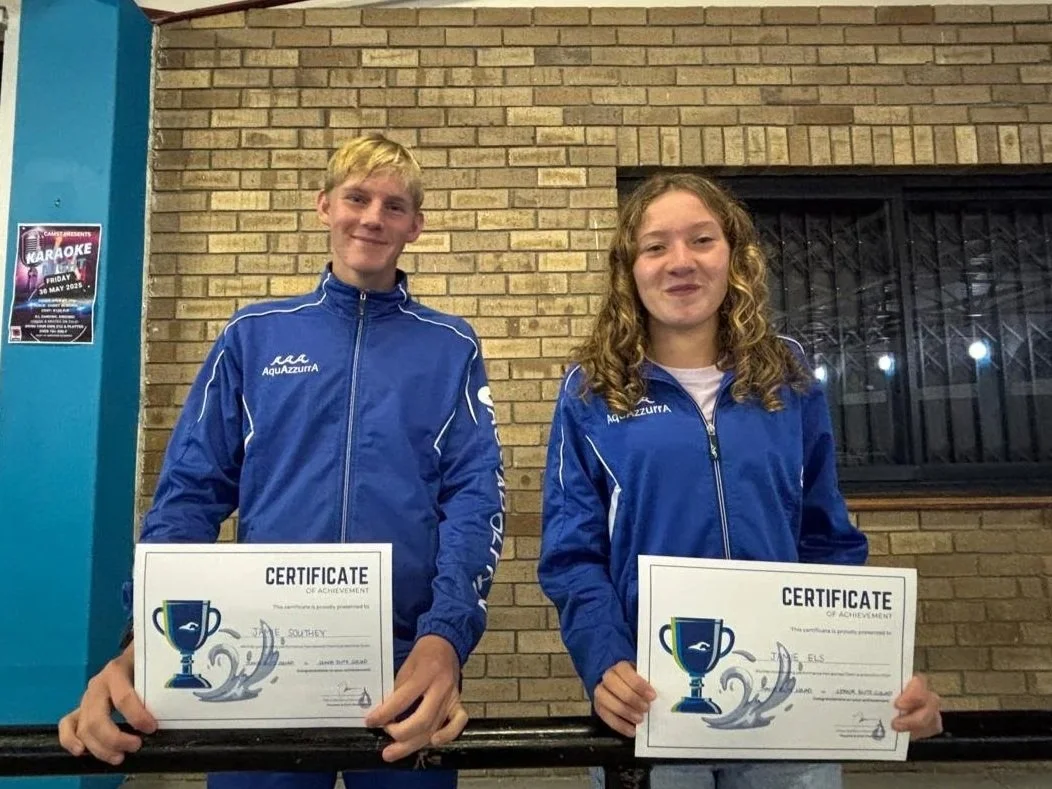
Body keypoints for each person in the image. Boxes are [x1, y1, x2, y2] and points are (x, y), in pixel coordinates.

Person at [58, 133, 507, 789]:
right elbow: (187, 498)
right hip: (259, 659)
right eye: (357, 197)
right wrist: (144, 640)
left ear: (417, 224)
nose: (372, 217)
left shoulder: (450, 346)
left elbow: (474, 504)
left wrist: (445, 638)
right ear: (324, 205)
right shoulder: (254, 334)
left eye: (393, 205)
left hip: (405, 664)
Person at [537, 173, 942, 789]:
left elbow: (827, 538)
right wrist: (605, 660)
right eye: (655, 246)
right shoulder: (590, 391)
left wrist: (868, 667)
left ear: (734, 255)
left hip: (788, 696)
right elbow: (572, 555)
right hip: (654, 698)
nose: (681, 262)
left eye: (702, 239)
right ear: (629, 267)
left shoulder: (788, 376)